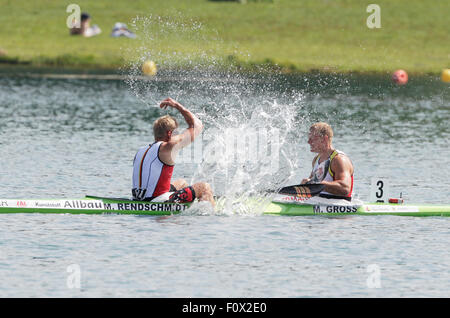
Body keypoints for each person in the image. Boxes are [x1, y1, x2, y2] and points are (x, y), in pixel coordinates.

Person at [132, 98, 215, 206]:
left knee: (182, 183)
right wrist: (177, 106)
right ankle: (212, 213)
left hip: (138, 200)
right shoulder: (168, 147)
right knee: (205, 187)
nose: (178, 134)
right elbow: (197, 125)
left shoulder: (141, 151)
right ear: (170, 134)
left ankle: (185, 206)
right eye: (177, 132)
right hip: (158, 202)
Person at [301, 122, 354, 200]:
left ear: (324, 139)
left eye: (312, 138)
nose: (308, 142)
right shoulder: (316, 160)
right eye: (309, 138)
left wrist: (317, 184)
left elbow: (345, 188)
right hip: (318, 202)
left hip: (339, 205)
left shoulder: (339, 160)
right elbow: (312, 187)